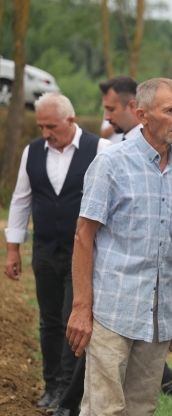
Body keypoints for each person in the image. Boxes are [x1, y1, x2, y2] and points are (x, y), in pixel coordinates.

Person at [66, 78, 172, 416]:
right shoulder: (111, 163)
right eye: (171, 111)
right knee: (103, 409)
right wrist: (81, 307)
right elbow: (84, 235)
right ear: (143, 115)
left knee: (142, 408)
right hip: (113, 307)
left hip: (158, 312)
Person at [3, 93, 111, 412]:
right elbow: (21, 199)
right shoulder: (33, 151)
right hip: (45, 250)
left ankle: (67, 393)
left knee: (71, 320)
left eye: (51, 126)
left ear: (71, 121)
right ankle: (51, 386)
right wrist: (13, 249)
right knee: (49, 321)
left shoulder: (100, 149)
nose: (45, 133)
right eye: (41, 126)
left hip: (85, 253)